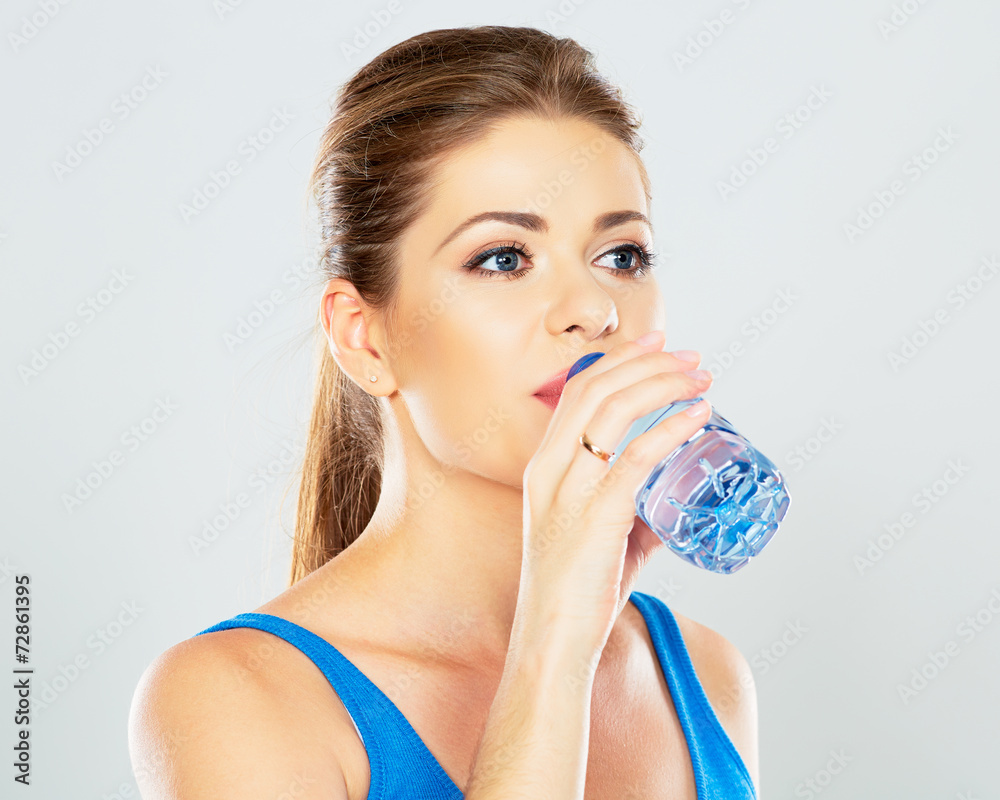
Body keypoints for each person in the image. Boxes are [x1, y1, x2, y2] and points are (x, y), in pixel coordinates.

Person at [128, 25, 760, 800]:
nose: (594, 309)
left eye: (621, 256)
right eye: (503, 258)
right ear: (365, 340)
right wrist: (552, 649)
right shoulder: (234, 700)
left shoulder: (704, 675)